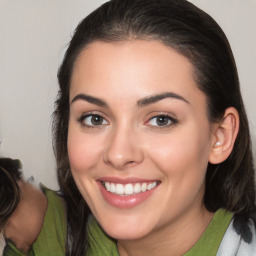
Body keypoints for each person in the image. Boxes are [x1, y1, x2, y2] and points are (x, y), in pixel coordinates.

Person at [4, 0, 256, 255]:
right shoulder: (33, 232)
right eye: (95, 119)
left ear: (220, 137)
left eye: (160, 119)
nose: (119, 154)